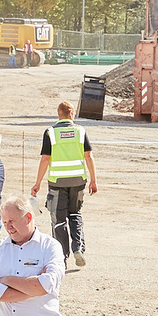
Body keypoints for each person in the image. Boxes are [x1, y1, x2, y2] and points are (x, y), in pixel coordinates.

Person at [30, 101, 96, 267]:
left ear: (58, 114)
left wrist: (37, 183)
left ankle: (62, 258)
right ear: (71, 114)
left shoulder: (50, 132)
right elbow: (88, 156)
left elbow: (45, 159)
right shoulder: (80, 131)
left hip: (57, 183)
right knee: (75, 214)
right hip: (78, 181)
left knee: (58, 220)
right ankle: (78, 248)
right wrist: (93, 180)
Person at [0, 197, 64, 316]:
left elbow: (47, 285)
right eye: (4, 222)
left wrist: (6, 280)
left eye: (12, 221)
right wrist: (34, 288)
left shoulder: (50, 246)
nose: (8, 227)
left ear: (28, 217)